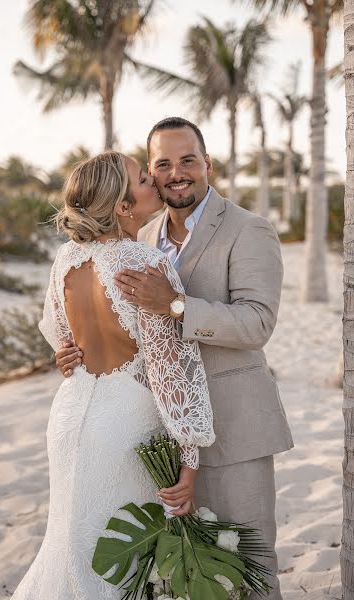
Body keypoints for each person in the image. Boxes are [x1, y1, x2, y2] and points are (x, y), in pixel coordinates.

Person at [56, 117, 294, 599]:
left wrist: (177, 305)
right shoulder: (139, 241)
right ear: (150, 172)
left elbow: (257, 324)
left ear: (207, 163)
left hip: (234, 429)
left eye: (188, 159)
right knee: (181, 574)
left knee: (248, 565)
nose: (176, 172)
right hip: (155, 439)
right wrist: (73, 351)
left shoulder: (250, 230)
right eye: (162, 164)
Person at [10, 150, 215, 600]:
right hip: (124, 423)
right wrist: (190, 458)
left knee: (70, 544)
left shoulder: (65, 258)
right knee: (120, 558)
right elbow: (169, 372)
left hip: (69, 417)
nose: (154, 184)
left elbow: (59, 335)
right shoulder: (147, 264)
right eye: (144, 179)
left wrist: (67, 355)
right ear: (123, 207)